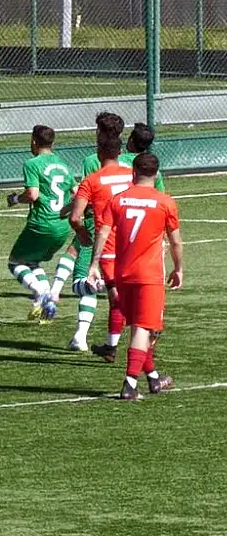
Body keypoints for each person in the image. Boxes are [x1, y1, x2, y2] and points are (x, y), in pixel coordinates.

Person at [87, 153, 182, 400]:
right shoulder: (165, 202)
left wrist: (94, 264)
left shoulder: (118, 200)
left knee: (138, 326)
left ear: (133, 172)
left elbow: (102, 232)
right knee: (143, 328)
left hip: (122, 273)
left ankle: (153, 378)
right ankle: (129, 384)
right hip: (149, 275)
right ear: (157, 174)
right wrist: (178, 268)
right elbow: (175, 242)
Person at [46, 112, 124, 350]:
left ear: (99, 133)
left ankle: (80, 335)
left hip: (96, 227)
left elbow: (86, 197)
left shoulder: (93, 161)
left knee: (84, 281)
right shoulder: (131, 164)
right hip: (129, 233)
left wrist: (70, 210)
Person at [69, 131, 134, 359]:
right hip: (135, 244)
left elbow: (75, 217)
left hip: (109, 246)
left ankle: (129, 344)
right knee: (126, 295)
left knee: (117, 297)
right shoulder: (133, 175)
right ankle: (112, 346)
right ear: (120, 152)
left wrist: (82, 233)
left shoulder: (92, 180)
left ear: (98, 153)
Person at [5, 125, 75, 322]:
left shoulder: (32, 164)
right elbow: (77, 193)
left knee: (15, 262)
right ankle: (47, 301)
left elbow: (32, 194)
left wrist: (15, 199)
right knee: (33, 261)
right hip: (62, 227)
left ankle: (40, 292)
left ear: (34, 142)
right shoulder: (63, 165)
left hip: (41, 224)